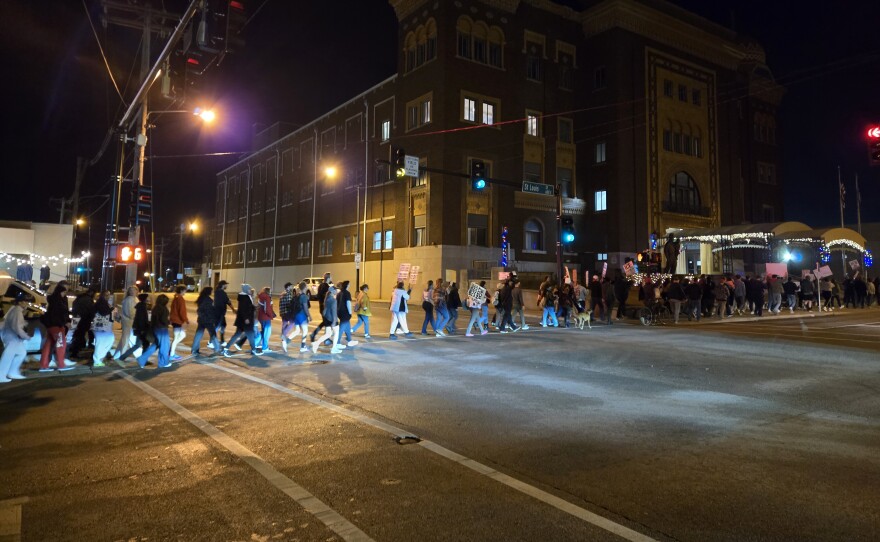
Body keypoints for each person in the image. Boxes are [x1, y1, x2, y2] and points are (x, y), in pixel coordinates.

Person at [39, 284, 76, 372]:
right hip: (57, 326)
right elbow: (58, 315)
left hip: (51, 326)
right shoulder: (58, 302)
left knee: (48, 345)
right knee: (61, 345)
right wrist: (64, 322)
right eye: (64, 292)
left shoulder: (52, 300)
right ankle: (61, 365)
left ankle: (43, 366)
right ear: (60, 292)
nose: (64, 294)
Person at [0, 292, 34, 382]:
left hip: (12, 337)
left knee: (21, 353)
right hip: (12, 337)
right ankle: (1, 375)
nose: (27, 303)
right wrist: (26, 336)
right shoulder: (17, 311)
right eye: (25, 301)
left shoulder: (16, 310)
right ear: (20, 302)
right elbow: (17, 327)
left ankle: (12, 372)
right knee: (8, 356)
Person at [222, 284, 261, 356]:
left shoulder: (244, 296)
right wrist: (246, 318)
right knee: (250, 335)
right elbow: (243, 309)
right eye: (249, 289)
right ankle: (254, 350)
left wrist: (254, 307)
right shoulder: (244, 297)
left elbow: (247, 307)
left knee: (238, 335)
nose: (250, 290)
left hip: (242, 321)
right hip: (245, 321)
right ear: (246, 290)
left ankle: (226, 349)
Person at [137, 294, 172, 369]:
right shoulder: (163, 309)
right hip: (162, 329)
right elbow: (164, 320)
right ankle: (163, 363)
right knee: (164, 346)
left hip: (156, 329)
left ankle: (142, 359)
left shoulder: (155, 308)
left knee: (156, 345)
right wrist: (169, 322)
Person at [312, 283, 344, 354]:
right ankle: (334, 348)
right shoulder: (333, 300)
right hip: (332, 319)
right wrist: (334, 321)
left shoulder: (327, 298)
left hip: (326, 318)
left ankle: (316, 343)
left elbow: (325, 310)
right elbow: (334, 311)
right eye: (335, 290)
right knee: (336, 333)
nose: (337, 291)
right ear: (333, 292)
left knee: (328, 334)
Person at [120, 293, 152, 360]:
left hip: (140, 328)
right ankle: (143, 359)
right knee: (143, 345)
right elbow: (141, 319)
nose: (149, 299)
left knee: (139, 345)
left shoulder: (141, 306)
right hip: (141, 329)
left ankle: (123, 357)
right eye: (148, 297)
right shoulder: (142, 307)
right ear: (145, 299)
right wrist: (142, 329)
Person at [191, 287, 221, 356]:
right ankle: (217, 348)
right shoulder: (208, 300)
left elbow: (200, 310)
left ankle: (194, 349)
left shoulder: (201, 299)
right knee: (213, 334)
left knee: (198, 334)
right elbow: (209, 311)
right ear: (208, 292)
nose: (212, 292)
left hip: (201, 320)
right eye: (211, 291)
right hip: (208, 320)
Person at [69, 287, 97, 357]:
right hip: (83, 319)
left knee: (76, 334)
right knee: (80, 335)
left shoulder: (79, 298)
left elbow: (74, 305)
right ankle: (75, 351)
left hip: (76, 318)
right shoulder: (89, 300)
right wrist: (92, 319)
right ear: (92, 293)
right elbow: (91, 311)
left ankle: (75, 348)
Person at [91, 290, 116, 367]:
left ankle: (99, 359)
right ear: (102, 295)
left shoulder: (103, 302)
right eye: (106, 295)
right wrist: (111, 309)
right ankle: (97, 360)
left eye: (108, 295)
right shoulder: (101, 303)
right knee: (101, 343)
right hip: (101, 327)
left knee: (107, 340)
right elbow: (103, 312)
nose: (107, 296)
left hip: (103, 327)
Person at [112, 286, 138, 360]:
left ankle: (118, 354)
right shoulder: (129, 299)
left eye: (134, 290)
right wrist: (135, 317)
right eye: (131, 290)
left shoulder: (134, 299)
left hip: (130, 320)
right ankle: (122, 354)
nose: (132, 292)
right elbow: (130, 312)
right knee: (126, 338)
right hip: (129, 321)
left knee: (126, 338)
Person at [309, 272, 333, 343]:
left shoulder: (320, 286)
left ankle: (316, 335)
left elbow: (318, 296)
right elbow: (326, 297)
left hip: (321, 306)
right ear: (328, 278)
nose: (332, 278)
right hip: (325, 308)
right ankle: (325, 338)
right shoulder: (326, 287)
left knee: (325, 322)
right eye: (331, 277)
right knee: (328, 323)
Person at [169, 285, 189, 360]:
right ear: (181, 291)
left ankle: (171, 351)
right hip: (177, 321)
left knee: (181, 336)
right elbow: (182, 311)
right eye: (185, 290)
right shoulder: (180, 299)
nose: (185, 292)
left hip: (175, 320)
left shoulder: (175, 298)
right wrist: (186, 320)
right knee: (177, 337)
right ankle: (171, 354)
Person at [336, 281, 358, 347]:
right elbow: (348, 303)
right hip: (345, 312)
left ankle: (349, 340)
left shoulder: (339, 293)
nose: (349, 286)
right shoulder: (347, 293)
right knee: (341, 328)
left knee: (347, 327)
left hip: (339, 312)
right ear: (347, 285)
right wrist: (350, 312)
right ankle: (337, 343)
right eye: (349, 285)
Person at [279, 282, 297, 353]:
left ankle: (283, 341)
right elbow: (290, 303)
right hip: (288, 311)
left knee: (284, 324)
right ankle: (283, 336)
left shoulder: (282, 294)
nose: (292, 287)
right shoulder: (289, 293)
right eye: (291, 286)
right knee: (292, 322)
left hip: (282, 312)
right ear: (288, 287)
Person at [256, 286, 276, 353]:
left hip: (260, 316)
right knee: (267, 333)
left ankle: (256, 343)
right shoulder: (267, 297)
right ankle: (265, 347)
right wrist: (271, 315)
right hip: (265, 317)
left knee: (264, 331)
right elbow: (267, 309)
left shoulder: (261, 296)